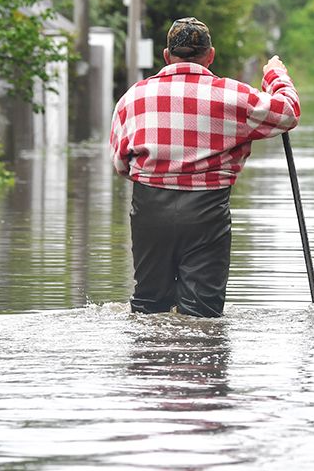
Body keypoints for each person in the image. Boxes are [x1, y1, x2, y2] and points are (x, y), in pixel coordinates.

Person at [109, 17, 300, 317]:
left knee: (149, 307)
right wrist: (275, 77)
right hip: (206, 214)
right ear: (210, 56)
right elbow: (288, 113)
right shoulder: (233, 96)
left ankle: (146, 360)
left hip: (149, 211)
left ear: (166, 56)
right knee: (202, 313)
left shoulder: (132, 98)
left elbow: (120, 164)